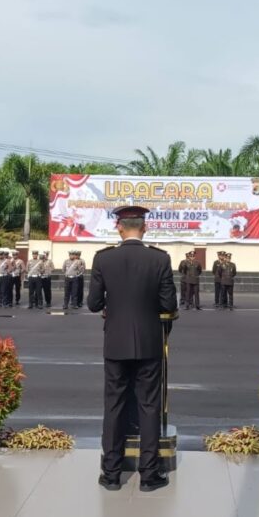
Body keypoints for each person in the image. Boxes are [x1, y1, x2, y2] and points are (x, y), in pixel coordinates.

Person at [87, 205, 176, 494]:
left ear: (119, 228)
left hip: (115, 342)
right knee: (149, 406)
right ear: (145, 228)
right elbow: (168, 305)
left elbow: (93, 304)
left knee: (114, 405)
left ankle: (111, 474)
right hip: (149, 342)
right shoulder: (159, 259)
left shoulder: (104, 259)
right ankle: (149, 475)